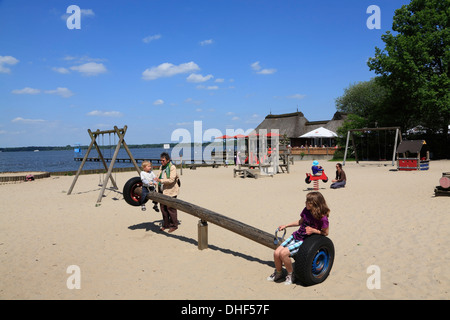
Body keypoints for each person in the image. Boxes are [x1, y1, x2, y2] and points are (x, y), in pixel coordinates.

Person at [267, 191, 330, 285]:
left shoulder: (323, 218)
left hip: (305, 240)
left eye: (308, 202)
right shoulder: (306, 210)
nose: (305, 203)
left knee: (283, 254)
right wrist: (286, 225)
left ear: (315, 204)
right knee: (276, 253)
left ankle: (291, 274)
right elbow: (300, 222)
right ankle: (279, 273)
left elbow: (325, 233)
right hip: (296, 235)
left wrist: (313, 231)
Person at [155, 152, 180, 233]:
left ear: (168, 160)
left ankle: (174, 225)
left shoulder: (172, 167)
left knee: (171, 208)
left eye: (163, 161)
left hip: (170, 191)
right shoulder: (161, 167)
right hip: (162, 191)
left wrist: (160, 180)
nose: (161, 162)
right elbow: (158, 176)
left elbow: (171, 180)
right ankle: (166, 224)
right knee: (163, 208)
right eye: (161, 161)